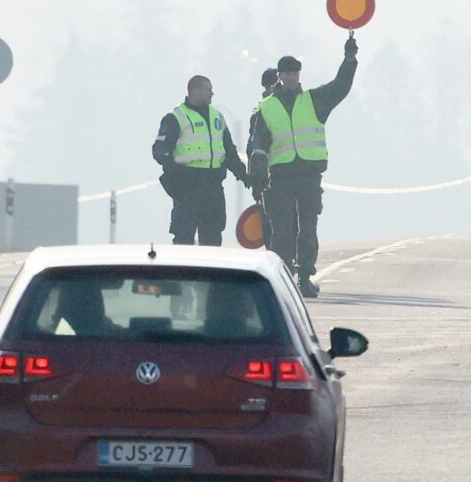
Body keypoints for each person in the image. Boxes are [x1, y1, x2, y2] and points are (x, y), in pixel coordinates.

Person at [248, 36, 358, 297]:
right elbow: (259, 144)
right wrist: (257, 176)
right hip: (280, 178)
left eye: (295, 73)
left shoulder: (314, 100)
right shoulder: (266, 107)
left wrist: (350, 60)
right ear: (279, 76)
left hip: (309, 176)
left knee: (308, 228)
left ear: (299, 74)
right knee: (282, 232)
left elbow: (340, 86)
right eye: (286, 73)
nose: (291, 77)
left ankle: (305, 278)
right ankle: (282, 281)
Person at [152, 75, 248, 246]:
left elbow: (229, 151)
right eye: (208, 89)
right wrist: (172, 169)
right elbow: (159, 150)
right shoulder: (175, 117)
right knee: (183, 236)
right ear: (194, 90)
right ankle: (182, 272)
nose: (212, 93)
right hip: (188, 187)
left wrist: (243, 174)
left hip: (213, 186)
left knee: (213, 236)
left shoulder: (217, 117)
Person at [246, 67, 279, 249]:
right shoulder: (266, 109)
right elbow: (255, 148)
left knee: (271, 222)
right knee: (282, 223)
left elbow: (251, 148)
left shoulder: (259, 109)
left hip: (266, 175)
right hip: (275, 174)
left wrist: (254, 180)